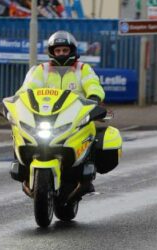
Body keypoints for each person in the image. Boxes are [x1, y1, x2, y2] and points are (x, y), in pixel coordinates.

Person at [14, 30, 105, 193]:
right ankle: (24, 171)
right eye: (57, 50)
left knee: (91, 135)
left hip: (74, 118)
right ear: (52, 52)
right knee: (19, 133)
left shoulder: (83, 69)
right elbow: (27, 89)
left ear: (72, 51)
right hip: (45, 118)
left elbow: (93, 85)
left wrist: (94, 98)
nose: (61, 54)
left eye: (65, 50)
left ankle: (86, 175)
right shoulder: (41, 70)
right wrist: (15, 102)